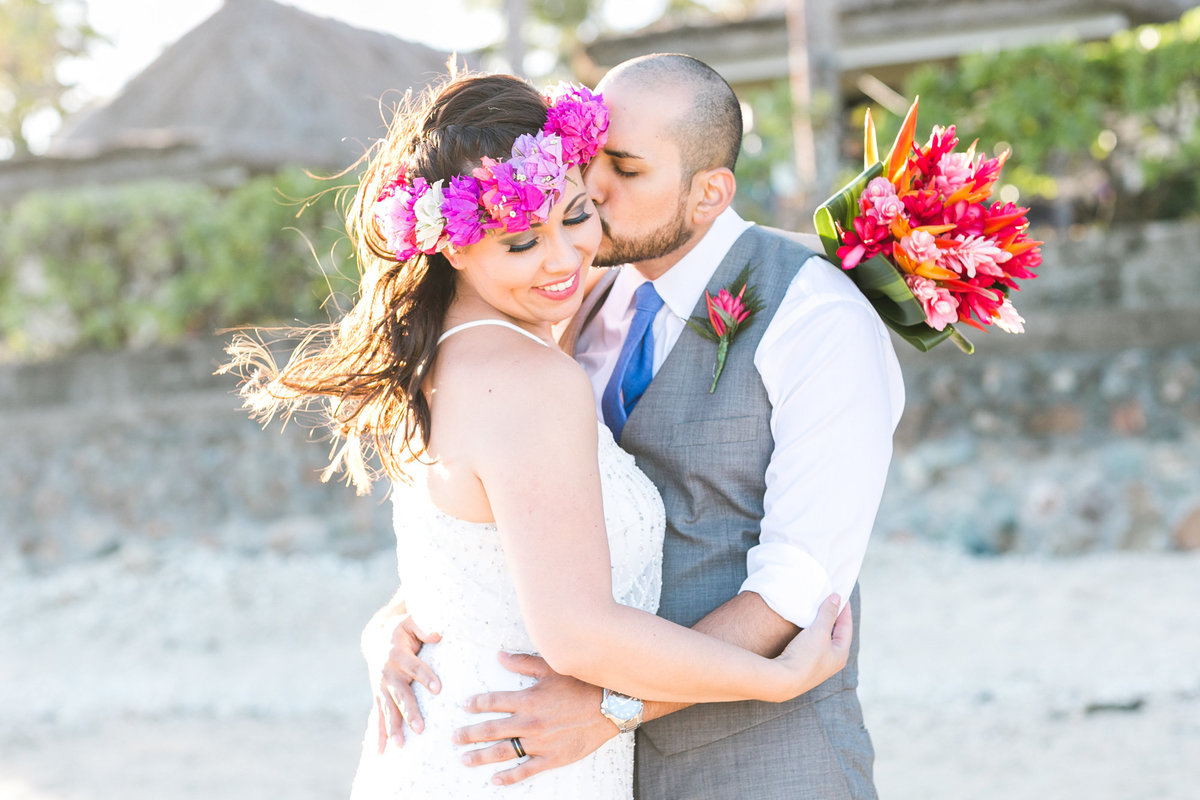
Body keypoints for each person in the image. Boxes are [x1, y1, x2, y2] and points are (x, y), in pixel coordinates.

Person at [223, 71, 852, 799]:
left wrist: (390, 619)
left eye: (577, 214)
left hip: (470, 739)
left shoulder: (452, 351)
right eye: (521, 241)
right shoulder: (528, 376)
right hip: (516, 756)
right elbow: (578, 633)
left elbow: (483, 549)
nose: (563, 260)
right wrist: (774, 678)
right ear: (452, 246)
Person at [371, 55, 906, 798]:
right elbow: (518, 514)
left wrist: (613, 709)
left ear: (709, 192)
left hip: (757, 761)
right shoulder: (575, 301)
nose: (590, 187)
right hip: (575, 759)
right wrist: (404, 618)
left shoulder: (816, 318)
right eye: (588, 158)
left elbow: (797, 593)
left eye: (625, 167)